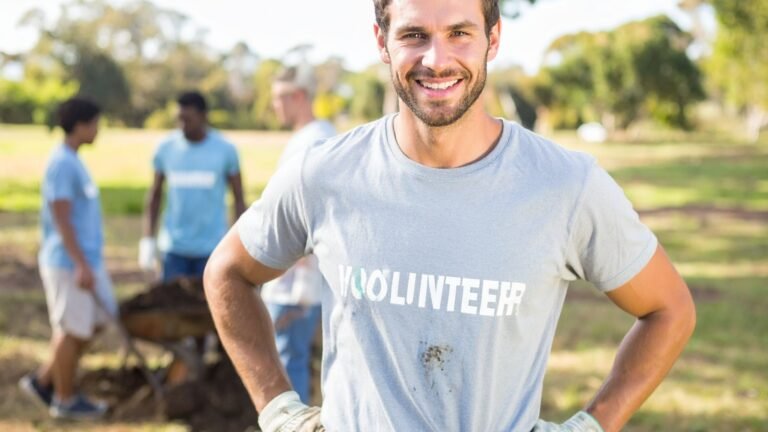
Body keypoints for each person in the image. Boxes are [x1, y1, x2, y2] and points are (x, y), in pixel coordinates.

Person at [203, 0, 697, 431]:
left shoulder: (567, 185)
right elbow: (228, 273)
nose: (437, 60)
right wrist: (279, 411)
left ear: (493, 38)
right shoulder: (324, 174)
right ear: (381, 41)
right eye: (414, 35)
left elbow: (669, 309)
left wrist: (592, 424)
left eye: (459, 33)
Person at [19, 97, 116, 420]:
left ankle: (43, 380)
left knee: (97, 321)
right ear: (81, 125)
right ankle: (64, 399)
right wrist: (80, 264)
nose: (98, 130)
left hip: (85, 260)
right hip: (68, 263)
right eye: (95, 124)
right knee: (72, 329)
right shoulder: (62, 163)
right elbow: (61, 218)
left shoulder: (73, 160)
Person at [261, 65, 337, 404]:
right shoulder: (310, 137)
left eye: (280, 97)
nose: (275, 105)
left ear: (300, 96)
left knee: (289, 360)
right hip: (297, 275)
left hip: (298, 279)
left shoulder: (313, 141)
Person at [139, 91, 246, 281]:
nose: (182, 125)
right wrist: (148, 240)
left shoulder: (225, 150)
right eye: (179, 119)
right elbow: (155, 195)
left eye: (187, 119)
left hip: (212, 248)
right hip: (173, 249)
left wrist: (240, 243)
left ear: (203, 116)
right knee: (173, 300)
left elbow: (238, 198)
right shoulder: (165, 148)